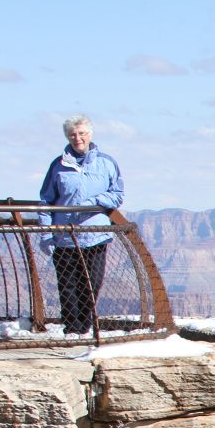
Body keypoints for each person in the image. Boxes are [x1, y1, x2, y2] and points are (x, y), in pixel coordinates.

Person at [38, 115, 123, 334]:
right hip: (64, 235)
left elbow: (117, 194)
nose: (78, 138)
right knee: (67, 285)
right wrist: (46, 232)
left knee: (92, 283)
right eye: (73, 135)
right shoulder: (58, 166)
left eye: (82, 133)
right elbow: (46, 200)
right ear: (67, 137)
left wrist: (93, 203)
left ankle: (84, 326)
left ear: (90, 134)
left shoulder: (106, 163)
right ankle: (72, 329)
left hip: (95, 234)